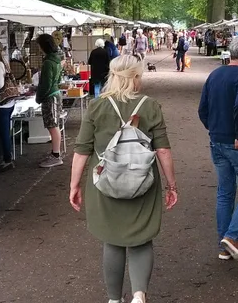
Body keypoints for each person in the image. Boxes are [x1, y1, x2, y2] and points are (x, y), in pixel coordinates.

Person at [70, 55, 179, 303]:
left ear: (112, 76)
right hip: (143, 182)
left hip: (105, 182)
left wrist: (74, 185)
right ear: (135, 77)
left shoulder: (96, 107)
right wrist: (172, 185)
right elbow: (163, 150)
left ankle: (114, 299)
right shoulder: (150, 106)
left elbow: (82, 150)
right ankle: (139, 295)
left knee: (112, 240)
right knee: (141, 239)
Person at [198, 36, 238, 264]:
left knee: (225, 192)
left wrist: (214, 128)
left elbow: (202, 109)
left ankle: (224, 245)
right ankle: (233, 236)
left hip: (216, 141)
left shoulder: (215, 75)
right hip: (237, 143)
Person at [36, 33, 64, 168]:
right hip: (55, 94)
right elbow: (57, 80)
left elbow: (46, 84)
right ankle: (55, 153)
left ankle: (56, 155)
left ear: (43, 46)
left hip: (50, 96)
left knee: (53, 126)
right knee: (54, 125)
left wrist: (39, 96)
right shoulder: (56, 60)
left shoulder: (48, 62)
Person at [0, 41, 16, 172]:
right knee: (4, 132)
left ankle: (7, 159)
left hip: (2, 104)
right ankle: (6, 157)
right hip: (8, 103)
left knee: (3, 133)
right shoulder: (4, 63)